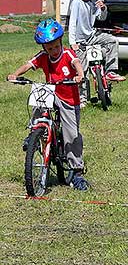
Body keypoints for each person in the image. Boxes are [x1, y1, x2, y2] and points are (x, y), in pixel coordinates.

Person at [7, 19, 89, 191]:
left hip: (68, 98)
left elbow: (77, 63)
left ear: (61, 42)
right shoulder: (43, 56)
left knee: (71, 135)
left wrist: (80, 75)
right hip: (52, 92)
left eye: (56, 46)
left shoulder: (67, 54)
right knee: (39, 99)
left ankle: (77, 171)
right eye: (49, 48)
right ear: (44, 48)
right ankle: (34, 134)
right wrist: (15, 74)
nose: (53, 50)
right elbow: (29, 64)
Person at [68, 0, 125, 106]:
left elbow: (100, 18)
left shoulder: (94, 1)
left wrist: (103, 8)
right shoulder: (76, 3)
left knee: (112, 41)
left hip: (92, 36)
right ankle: (82, 99)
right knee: (82, 70)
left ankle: (110, 71)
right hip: (80, 41)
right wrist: (73, 43)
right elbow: (72, 23)